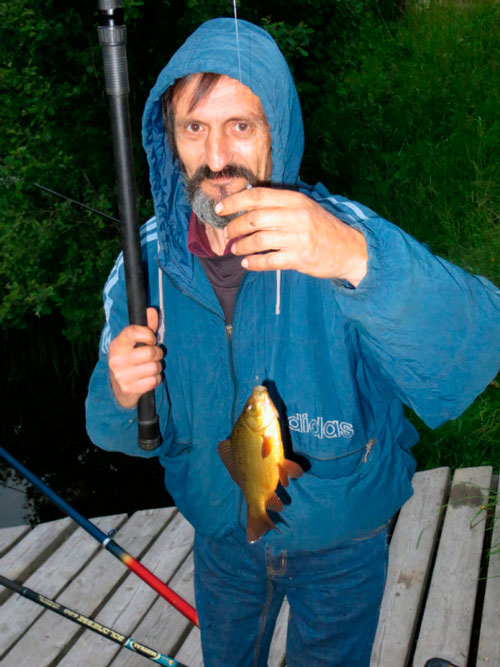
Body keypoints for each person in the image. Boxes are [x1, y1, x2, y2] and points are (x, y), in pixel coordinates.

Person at [86, 18, 500, 666]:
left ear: (277, 130)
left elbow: (479, 343)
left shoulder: (338, 235)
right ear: (169, 138)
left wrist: (357, 259)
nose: (216, 157)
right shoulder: (142, 270)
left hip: (344, 537)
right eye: (194, 128)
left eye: (240, 125)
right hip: (223, 537)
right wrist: (119, 392)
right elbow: (117, 431)